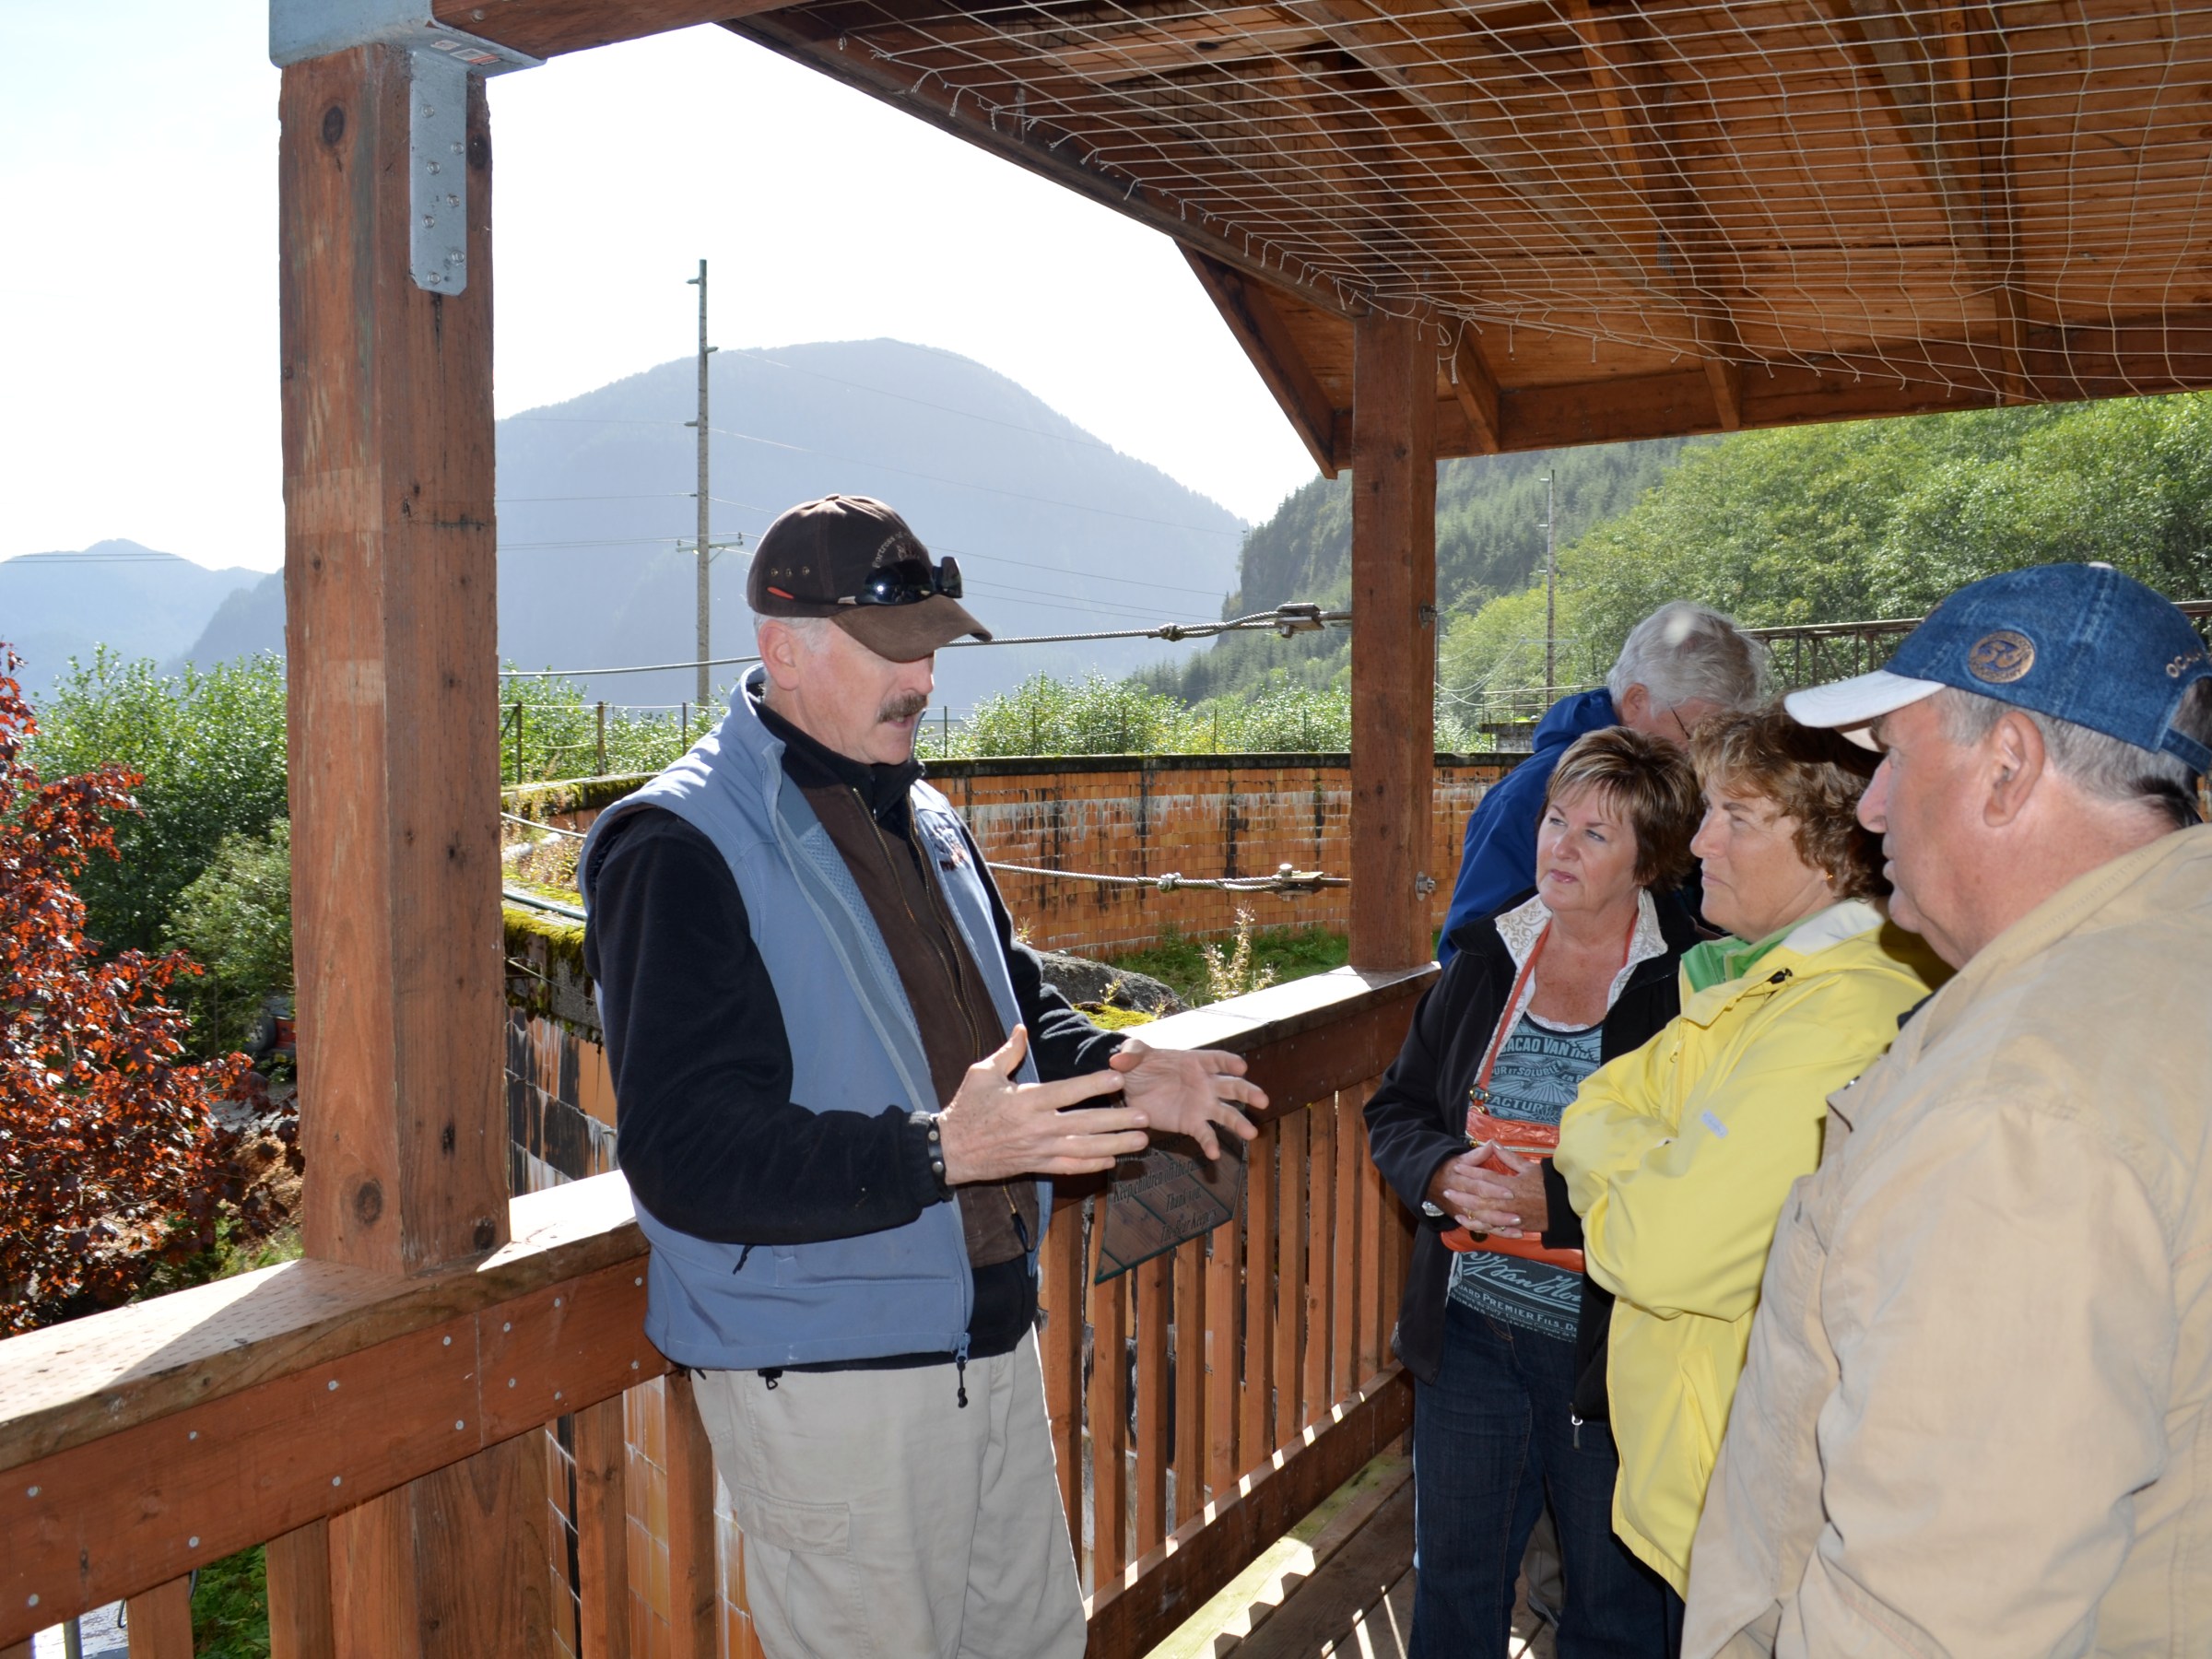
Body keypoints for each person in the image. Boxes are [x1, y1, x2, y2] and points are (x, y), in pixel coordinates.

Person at [579, 495, 1265, 1659]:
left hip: (986, 1340)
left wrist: (1120, 1070)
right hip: (831, 1380)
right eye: (894, 650)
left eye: (933, 648)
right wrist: (944, 1153)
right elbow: (686, 1153)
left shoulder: (923, 811)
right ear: (783, 648)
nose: (924, 681)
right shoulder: (676, 847)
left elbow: (1014, 1013)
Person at [1684, 564, 2212, 1657]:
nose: (1868, 804)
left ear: (2009, 766)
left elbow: (1932, 1617)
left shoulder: (2023, 1106)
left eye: (1892, 756)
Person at [1545, 705, 1947, 1635]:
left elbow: (1663, 1252)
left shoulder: (1840, 1016)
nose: (1699, 842)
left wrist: (1623, 1176)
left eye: (1737, 817)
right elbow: (1594, 1108)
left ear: (1829, 845)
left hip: (1754, 1506)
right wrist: (1650, 1162)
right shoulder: (1744, 981)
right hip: (1707, 1480)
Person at [1366, 727, 1705, 1657]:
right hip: (1470, 1334)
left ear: (1653, 859)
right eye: (1559, 820)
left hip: (1608, 1353)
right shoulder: (1490, 951)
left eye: (1597, 835)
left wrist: (1552, 1206)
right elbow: (1395, 1108)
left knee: (1613, 1611)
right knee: (1455, 1592)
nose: (1560, 845)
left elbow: (1703, 1179)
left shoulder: (1695, 982)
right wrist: (1436, 1170)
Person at [1439, 602, 1766, 965]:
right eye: (1697, 733)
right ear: (1636, 700)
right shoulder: (1531, 794)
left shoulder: (1679, 786)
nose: (1707, 753)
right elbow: (1467, 954)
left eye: (1722, 736)